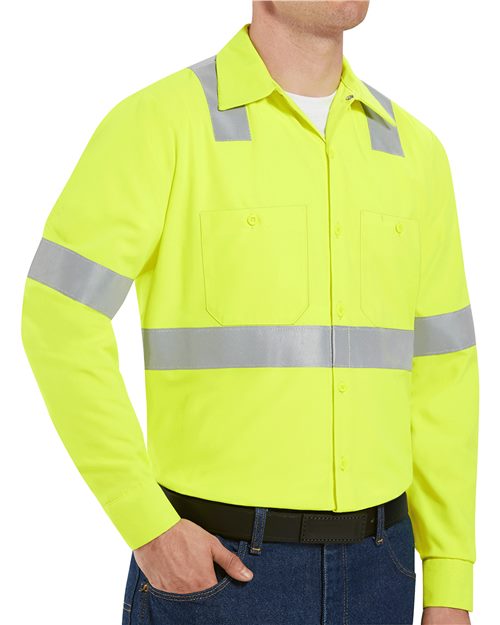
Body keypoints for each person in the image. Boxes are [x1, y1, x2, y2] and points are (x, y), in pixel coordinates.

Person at [21, 1, 479, 624]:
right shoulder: (161, 124)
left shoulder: (416, 153)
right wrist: (148, 525)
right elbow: (58, 315)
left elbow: (445, 370)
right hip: (217, 572)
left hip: (384, 571)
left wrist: (450, 579)